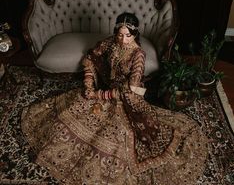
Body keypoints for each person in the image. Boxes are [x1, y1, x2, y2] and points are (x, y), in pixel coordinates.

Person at [21, 12, 208, 185]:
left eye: (128, 35)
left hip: (126, 98)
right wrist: (88, 84)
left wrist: (99, 95)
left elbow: (131, 90)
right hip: (106, 87)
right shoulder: (111, 43)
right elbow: (90, 58)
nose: (123, 39)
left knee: (117, 132)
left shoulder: (138, 55)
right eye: (120, 34)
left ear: (135, 35)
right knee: (72, 109)